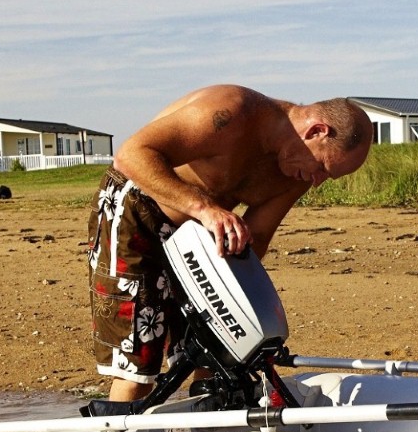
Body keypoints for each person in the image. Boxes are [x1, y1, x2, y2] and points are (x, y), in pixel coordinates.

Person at [88, 85, 372, 403]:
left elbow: (258, 235)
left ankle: (210, 420)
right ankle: (116, 430)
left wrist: (236, 303)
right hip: (138, 210)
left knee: (216, 351)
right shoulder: (230, 112)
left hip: (202, 231)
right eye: (322, 167)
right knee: (141, 363)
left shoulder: (297, 172)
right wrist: (203, 209)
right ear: (317, 130)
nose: (317, 180)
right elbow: (131, 155)